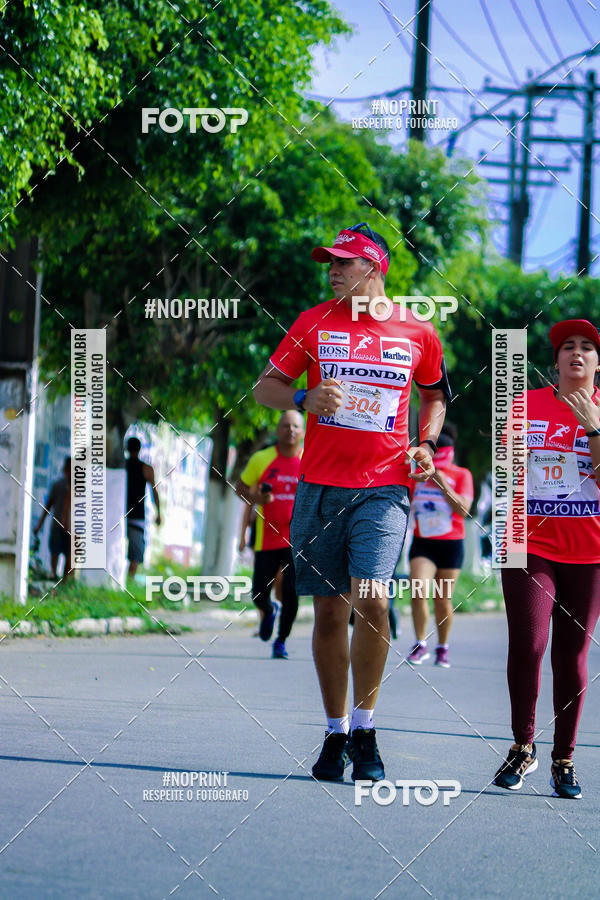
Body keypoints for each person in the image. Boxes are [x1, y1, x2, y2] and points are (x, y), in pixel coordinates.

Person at [253, 222, 450, 782]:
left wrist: (426, 442)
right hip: (319, 487)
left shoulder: (418, 331)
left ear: (374, 267)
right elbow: (264, 386)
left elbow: (435, 396)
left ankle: (366, 729)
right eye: (329, 264)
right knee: (330, 611)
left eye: (342, 262)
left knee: (374, 600)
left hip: (385, 487)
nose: (332, 271)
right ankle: (335, 732)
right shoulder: (313, 322)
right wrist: (302, 395)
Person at [493, 319, 600, 799]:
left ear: (597, 363)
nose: (576, 353)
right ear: (554, 361)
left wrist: (592, 428)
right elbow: (508, 472)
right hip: (528, 543)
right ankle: (522, 745)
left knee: (572, 656)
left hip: (589, 550)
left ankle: (564, 758)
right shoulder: (523, 405)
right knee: (530, 644)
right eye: (566, 347)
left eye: (587, 348)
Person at [235, 411, 305, 658]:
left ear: (303, 431)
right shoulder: (262, 459)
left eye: (296, 426)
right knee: (258, 593)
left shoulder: (309, 460)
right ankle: (268, 610)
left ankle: (281, 641)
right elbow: (240, 488)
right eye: (286, 426)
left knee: (291, 592)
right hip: (266, 539)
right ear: (278, 430)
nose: (291, 431)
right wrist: (258, 498)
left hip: (297, 541)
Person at [407, 423, 474, 667]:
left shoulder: (461, 475)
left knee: (442, 598)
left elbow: (464, 510)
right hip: (423, 543)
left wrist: (443, 483)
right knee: (417, 589)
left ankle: (442, 647)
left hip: (450, 544)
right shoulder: (417, 477)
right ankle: (420, 643)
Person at [125, 436, 161, 578]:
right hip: (137, 516)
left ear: (127, 448)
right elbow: (154, 492)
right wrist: (159, 513)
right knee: (135, 554)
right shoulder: (146, 469)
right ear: (139, 449)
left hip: (119, 514)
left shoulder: (121, 466)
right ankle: (129, 579)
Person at [33, 456, 72, 581]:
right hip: (60, 525)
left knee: (67, 553)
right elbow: (48, 506)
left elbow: (47, 507)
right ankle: (56, 577)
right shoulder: (58, 486)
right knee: (57, 551)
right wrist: (39, 524)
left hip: (70, 527)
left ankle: (61, 579)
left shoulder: (78, 486)